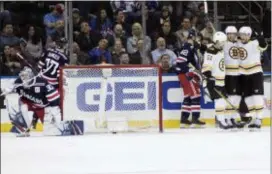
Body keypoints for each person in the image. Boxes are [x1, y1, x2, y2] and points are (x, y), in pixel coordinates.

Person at [3, 67, 83, 137]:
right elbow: (9, 89)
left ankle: (72, 126)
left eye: (26, 77)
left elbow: (55, 101)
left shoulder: (42, 83)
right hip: (29, 103)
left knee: (50, 131)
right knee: (11, 99)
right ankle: (22, 127)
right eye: (22, 77)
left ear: (31, 76)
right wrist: (8, 90)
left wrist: (54, 115)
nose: (24, 79)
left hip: (43, 107)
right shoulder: (18, 82)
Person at [237, 26, 268, 129]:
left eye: (245, 35)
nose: (243, 37)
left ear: (249, 35)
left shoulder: (255, 43)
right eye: (241, 34)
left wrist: (261, 39)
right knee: (248, 98)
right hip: (243, 74)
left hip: (256, 73)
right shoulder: (237, 44)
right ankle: (253, 118)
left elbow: (264, 47)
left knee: (257, 97)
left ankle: (259, 119)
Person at [175, 30, 205, 127]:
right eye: (198, 38)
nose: (199, 40)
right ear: (193, 37)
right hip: (188, 75)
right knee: (196, 95)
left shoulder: (192, 48)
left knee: (188, 96)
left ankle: (184, 119)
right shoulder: (188, 47)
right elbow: (179, 62)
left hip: (186, 75)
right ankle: (195, 119)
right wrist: (190, 72)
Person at [202, 31, 228, 129]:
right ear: (217, 42)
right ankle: (221, 121)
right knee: (219, 100)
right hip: (213, 80)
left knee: (223, 101)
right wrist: (209, 78)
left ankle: (219, 119)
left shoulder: (220, 50)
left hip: (221, 80)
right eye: (222, 42)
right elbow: (206, 67)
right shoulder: (210, 51)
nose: (224, 44)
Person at [223, 26, 244, 128]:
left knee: (238, 97)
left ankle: (234, 117)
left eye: (233, 33)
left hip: (239, 74)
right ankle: (227, 118)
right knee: (230, 98)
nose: (231, 35)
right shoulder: (224, 44)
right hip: (229, 74)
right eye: (229, 33)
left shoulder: (240, 44)